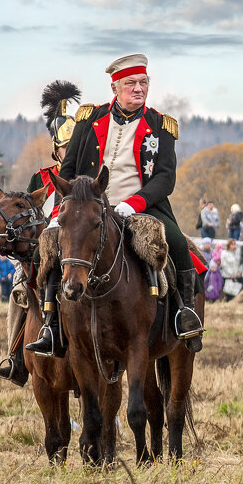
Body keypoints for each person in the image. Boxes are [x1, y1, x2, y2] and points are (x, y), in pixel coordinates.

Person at [29, 53, 204, 357]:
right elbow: (67, 171)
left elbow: (165, 178)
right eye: (131, 83)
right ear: (115, 88)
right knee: (47, 246)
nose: (139, 89)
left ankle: (185, 313)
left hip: (142, 206)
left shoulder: (161, 126)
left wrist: (134, 204)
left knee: (176, 242)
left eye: (144, 83)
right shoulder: (89, 119)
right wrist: (60, 212)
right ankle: (51, 326)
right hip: (86, 207)